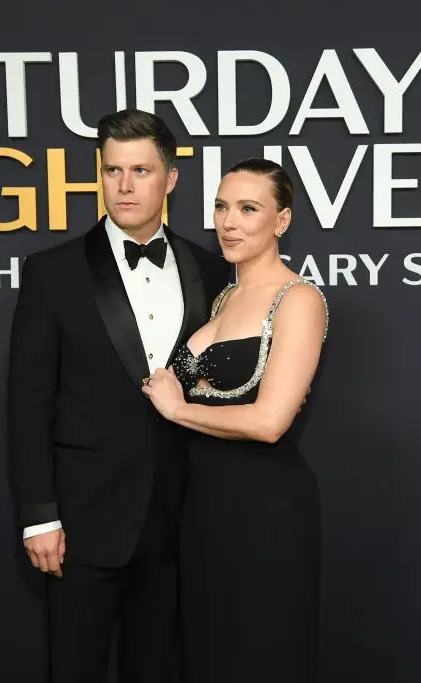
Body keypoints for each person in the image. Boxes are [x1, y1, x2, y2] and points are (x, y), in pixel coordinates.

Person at [7, 108, 231, 682]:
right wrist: (39, 517)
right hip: (83, 520)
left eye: (141, 170)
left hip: (180, 519)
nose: (125, 186)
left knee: (157, 668)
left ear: (171, 179)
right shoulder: (51, 273)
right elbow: (28, 400)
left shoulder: (208, 269)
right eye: (113, 171)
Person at [142, 158, 329, 683]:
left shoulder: (299, 299)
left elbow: (271, 421)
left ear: (281, 221)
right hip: (203, 509)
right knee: (208, 654)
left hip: (264, 510)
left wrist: (178, 408)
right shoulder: (222, 298)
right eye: (222, 207)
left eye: (249, 209)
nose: (229, 222)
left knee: (260, 652)